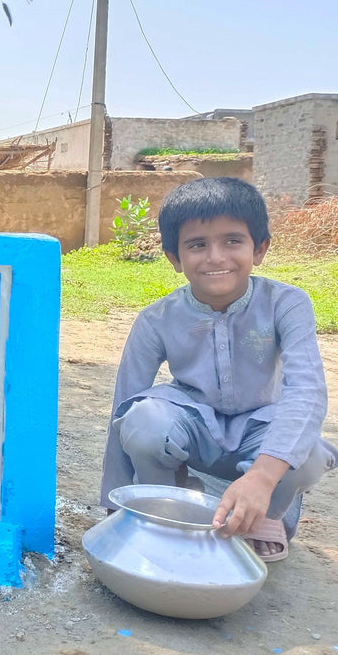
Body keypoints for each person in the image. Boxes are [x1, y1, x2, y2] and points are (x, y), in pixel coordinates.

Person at [100, 177, 337, 561]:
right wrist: (113, 503)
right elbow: (124, 401)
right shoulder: (155, 319)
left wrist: (262, 478)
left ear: (259, 249)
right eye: (197, 245)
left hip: (261, 432)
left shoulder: (287, 304)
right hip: (193, 427)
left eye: (232, 241)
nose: (215, 257)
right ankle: (167, 505)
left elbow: (306, 392)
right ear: (174, 258)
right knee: (142, 419)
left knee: (307, 454)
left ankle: (265, 512)